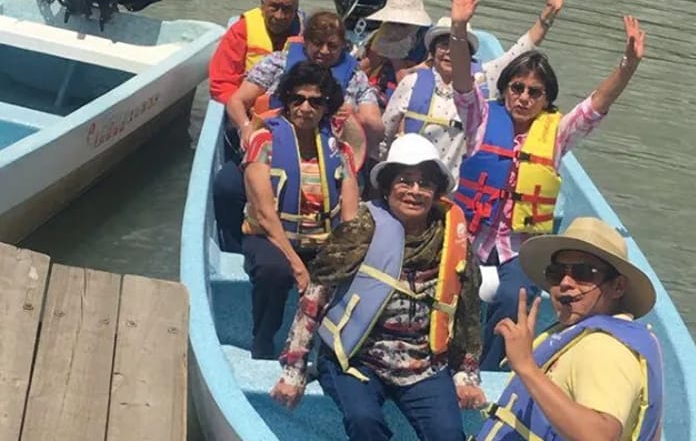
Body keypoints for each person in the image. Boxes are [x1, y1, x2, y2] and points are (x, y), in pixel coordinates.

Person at [448, 0, 647, 371]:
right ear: (505, 90)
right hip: (466, 235)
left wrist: (628, 66)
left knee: (515, 298)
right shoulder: (480, 118)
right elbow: (461, 82)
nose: (523, 97)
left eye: (534, 92)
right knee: (447, 288)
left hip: (515, 248)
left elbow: (596, 105)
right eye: (517, 88)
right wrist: (457, 31)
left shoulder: (556, 133)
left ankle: (485, 374)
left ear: (546, 98)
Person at [271, 134, 486, 441]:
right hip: (356, 358)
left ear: (437, 191)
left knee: (449, 434)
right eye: (405, 181)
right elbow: (315, 297)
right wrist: (294, 370)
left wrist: (466, 375)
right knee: (364, 421)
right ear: (387, 187)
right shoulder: (360, 230)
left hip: (423, 366)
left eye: (424, 183)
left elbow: (467, 313)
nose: (414, 191)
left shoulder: (453, 240)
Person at [475, 217, 663, 440]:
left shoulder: (605, 349)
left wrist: (526, 366)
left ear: (618, 286)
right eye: (556, 273)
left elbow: (600, 435)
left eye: (583, 273)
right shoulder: (577, 335)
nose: (565, 282)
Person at [381, 0, 564, 184]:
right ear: (432, 51)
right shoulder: (411, 83)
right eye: (443, 45)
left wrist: (547, 15)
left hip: (460, 188)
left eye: (456, 45)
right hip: (415, 183)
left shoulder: (484, 79)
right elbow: (385, 135)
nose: (449, 52)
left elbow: (523, 47)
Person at [240, 61, 360, 359]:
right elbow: (265, 214)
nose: (306, 107)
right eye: (298, 99)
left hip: (321, 241)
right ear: (288, 100)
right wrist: (297, 266)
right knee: (274, 270)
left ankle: (331, 353)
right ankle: (264, 339)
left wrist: (346, 258)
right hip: (271, 237)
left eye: (316, 101)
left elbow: (350, 216)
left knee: (355, 274)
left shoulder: (339, 151)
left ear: (326, 107)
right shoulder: (263, 140)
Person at [226, 10, 383, 152]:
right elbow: (236, 101)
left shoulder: (356, 78)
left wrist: (353, 115)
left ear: (343, 46)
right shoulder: (276, 63)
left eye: (332, 45)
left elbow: (375, 125)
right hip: (273, 144)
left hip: (329, 152)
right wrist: (245, 128)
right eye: (318, 43)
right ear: (305, 41)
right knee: (226, 183)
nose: (324, 51)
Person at [209, 0, 302, 104]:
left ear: (296, 9)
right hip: (246, 107)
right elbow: (221, 83)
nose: (279, 16)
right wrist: (241, 107)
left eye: (286, 9)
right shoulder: (241, 30)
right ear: (263, 4)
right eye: (274, 7)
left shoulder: (308, 35)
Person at [356, 0, 432, 109]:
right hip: (376, 91)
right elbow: (361, 70)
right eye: (392, 22)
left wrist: (396, 57)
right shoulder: (381, 32)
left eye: (402, 24)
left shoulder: (427, 41)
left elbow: (409, 87)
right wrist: (380, 50)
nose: (396, 28)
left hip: (405, 98)